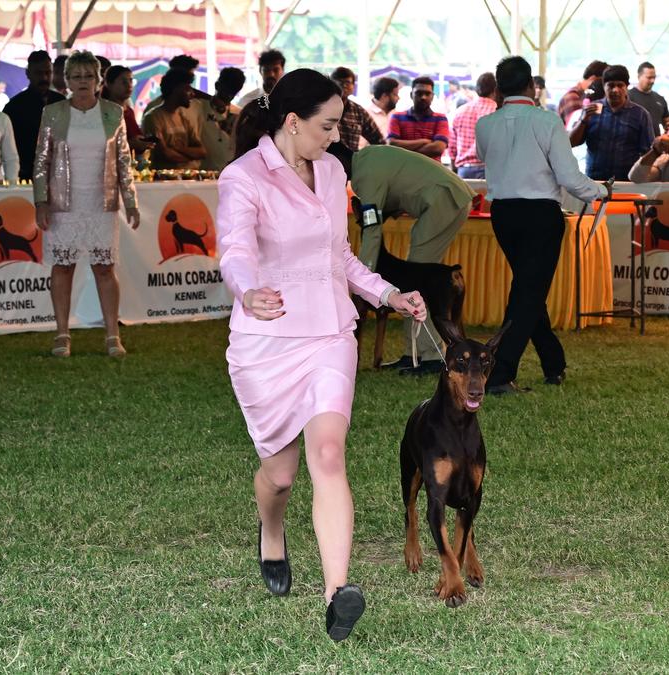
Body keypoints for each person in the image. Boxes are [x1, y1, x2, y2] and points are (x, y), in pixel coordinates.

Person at [218, 67, 425, 641]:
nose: (337, 136)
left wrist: (389, 293)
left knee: (329, 454)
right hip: (269, 337)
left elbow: (341, 257)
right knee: (280, 477)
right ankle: (271, 530)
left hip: (332, 331)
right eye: (328, 125)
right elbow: (233, 251)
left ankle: (338, 593)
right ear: (292, 121)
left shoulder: (333, 171)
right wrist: (246, 291)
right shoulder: (243, 177)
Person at [477, 55, 609, 394]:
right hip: (540, 215)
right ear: (530, 86)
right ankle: (499, 373)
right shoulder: (546, 121)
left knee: (528, 291)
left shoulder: (486, 124)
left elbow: (483, 159)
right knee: (527, 293)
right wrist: (599, 191)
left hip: (503, 215)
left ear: (499, 87)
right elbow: (568, 176)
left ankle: (554, 364)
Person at [32, 50, 140, 359]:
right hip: (62, 204)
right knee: (62, 267)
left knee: (104, 268)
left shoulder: (113, 113)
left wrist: (130, 201)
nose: (83, 82)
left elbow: (123, 161)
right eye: (76, 76)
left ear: (99, 80)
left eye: (88, 76)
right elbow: (41, 160)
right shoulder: (53, 113)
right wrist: (41, 201)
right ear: (66, 81)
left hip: (101, 202)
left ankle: (112, 336)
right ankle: (62, 334)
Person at [336, 142, 473, 374]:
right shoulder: (369, 157)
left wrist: (364, 275)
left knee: (415, 282)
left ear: (339, 165)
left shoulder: (364, 177)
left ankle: (430, 357)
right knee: (414, 279)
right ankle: (414, 355)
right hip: (449, 197)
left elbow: (372, 228)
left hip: (445, 200)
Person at [569, 65, 653, 181]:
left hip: (627, 182)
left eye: (620, 85)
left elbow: (648, 152)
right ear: (604, 86)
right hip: (594, 182)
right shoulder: (591, 110)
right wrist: (583, 120)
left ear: (627, 86)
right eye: (611, 85)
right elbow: (571, 143)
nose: (615, 90)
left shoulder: (640, 115)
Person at [4, 51, 66, 181]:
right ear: (28, 73)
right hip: (26, 176)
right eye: (39, 73)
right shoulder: (15, 107)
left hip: (57, 175)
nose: (44, 78)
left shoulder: (61, 102)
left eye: (47, 73)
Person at [140, 67, 206, 170]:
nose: (192, 94)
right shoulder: (153, 117)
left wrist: (177, 148)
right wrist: (191, 155)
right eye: (188, 89)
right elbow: (165, 154)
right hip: (163, 182)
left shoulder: (183, 118)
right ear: (176, 89)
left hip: (187, 179)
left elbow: (202, 152)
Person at [387, 76, 449, 161]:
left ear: (433, 96)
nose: (423, 97)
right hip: (403, 172)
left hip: (432, 172)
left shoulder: (441, 119)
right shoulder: (397, 117)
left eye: (427, 94)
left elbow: (438, 148)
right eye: (419, 93)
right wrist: (424, 141)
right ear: (411, 95)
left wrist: (404, 149)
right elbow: (392, 144)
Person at [450, 72, 498, 178]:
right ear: (496, 90)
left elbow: (452, 148)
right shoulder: (499, 111)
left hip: (465, 171)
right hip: (492, 171)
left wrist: (455, 172)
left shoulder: (460, 111)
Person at [102, 65, 154, 155]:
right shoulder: (104, 111)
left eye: (130, 80)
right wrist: (130, 144)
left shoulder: (129, 111)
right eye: (123, 82)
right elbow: (103, 145)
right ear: (109, 84)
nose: (129, 85)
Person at [201, 67, 245, 170]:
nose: (229, 95)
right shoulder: (200, 106)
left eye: (233, 92)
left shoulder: (239, 113)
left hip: (229, 171)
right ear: (217, 85)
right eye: (226, 90)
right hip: (203, 170)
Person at [330, 67, 383, 152]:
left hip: (351, 162)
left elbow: (378, 140)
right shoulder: (321, 108)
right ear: (331, 84)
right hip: (323, 160)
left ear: (353, 87)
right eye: (340, 82)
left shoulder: (358, 111)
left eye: (347, 82)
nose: (344, 85)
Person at [629, 62, 669, 135]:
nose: (652, 81)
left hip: (655, 143)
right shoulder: (628, 97)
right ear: (639, 76)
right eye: (649, 77)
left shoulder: (660, 99)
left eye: (654, 77)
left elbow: (668, 123)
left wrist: (668, 130)